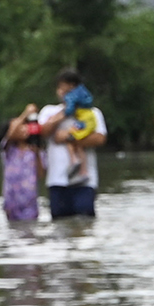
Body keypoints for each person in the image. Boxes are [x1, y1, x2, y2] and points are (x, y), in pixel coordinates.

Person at [39, 69, 106, 220]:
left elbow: (99, 139)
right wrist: (64, 114)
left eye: (67, 89)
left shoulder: (92, 113)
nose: (63, 92)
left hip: (85, 182)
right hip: (57, 180)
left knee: (84, 223)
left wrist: (68, 137)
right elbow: (43, 132)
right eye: (60, 88)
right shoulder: (49, 111)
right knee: (59, 225)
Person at [1, 103, 45, 221]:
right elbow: (10, 134)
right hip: (11, 201)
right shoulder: (9, 149)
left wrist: (36, 154)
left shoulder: (35, 151)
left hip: (29, 202)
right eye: (20, 127)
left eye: (25, 126)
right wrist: (26, 113)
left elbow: (40, 174)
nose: (23, 129)